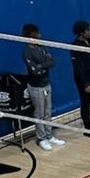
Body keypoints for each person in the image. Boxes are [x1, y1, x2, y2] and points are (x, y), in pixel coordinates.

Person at [22, 23, 63, 151]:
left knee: (47, 112)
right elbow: (34, 70)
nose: (39, 34)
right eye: (36, 32)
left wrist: (41, 65)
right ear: (30, 34)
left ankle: (49, 135)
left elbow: (52, 62)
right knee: (39, 113)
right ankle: (41, 139)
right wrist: (43, 65)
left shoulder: (41, 46)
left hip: (46, 83)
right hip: (36, 87)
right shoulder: (27, 51)